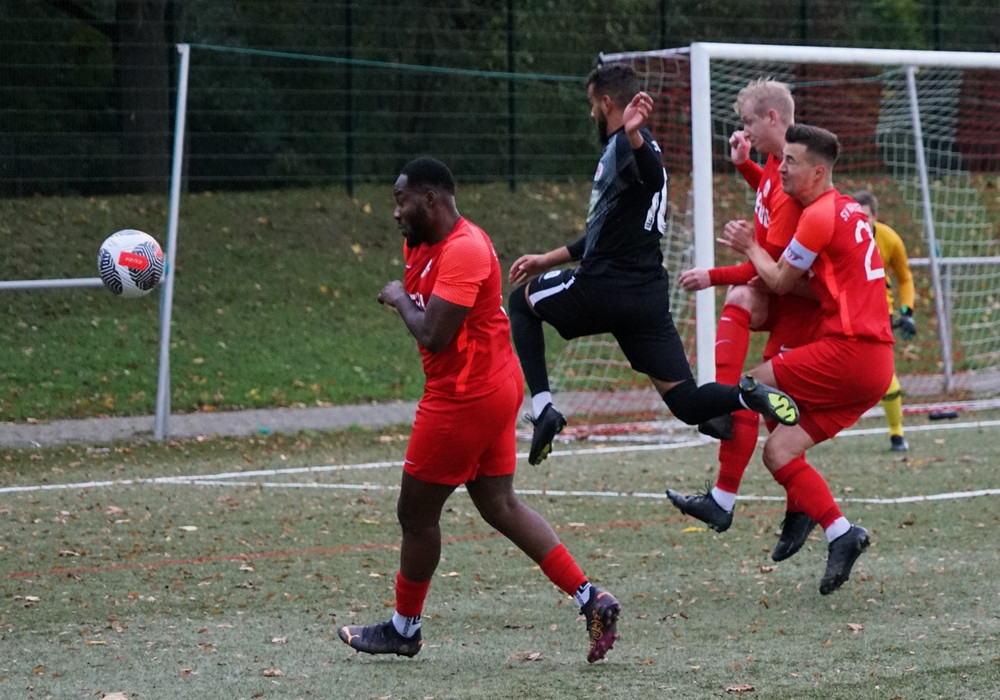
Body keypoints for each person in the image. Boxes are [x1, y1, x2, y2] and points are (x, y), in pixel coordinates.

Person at [337, 156, 621, 663]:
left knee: (415, 514)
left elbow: (434, 334)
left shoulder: (465, 249)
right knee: (500, 504)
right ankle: (591, 599)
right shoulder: (420, 242)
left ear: (431, 199)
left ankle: (404, 629)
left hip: (464, 397)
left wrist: (399, 298)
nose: (395, 212)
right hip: (491, 385)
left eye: (401, 201)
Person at [507, 63, 800, 467]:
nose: (591, 113)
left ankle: (543, 409)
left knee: (520, 303)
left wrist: (631, 135)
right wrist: (547, 259)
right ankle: (746, 395)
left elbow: (653, 177)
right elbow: (605, 232)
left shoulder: (629, 145)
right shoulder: (640, 145)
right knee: (687, 402)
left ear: (606, 102)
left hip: (602, 287)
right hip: (646, 298)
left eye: (592, 104)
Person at [721, 124, 895, 594]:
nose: (782, 168)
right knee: (778, 452)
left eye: (791, 161)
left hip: (852, 350)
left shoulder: (818, 215)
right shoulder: (846, 209)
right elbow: (811, 284)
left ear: (818, 172)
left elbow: (779, 280)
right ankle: (840, 532)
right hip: (875, 364)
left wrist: (750, 247)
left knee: (752, 385)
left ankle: (729, 484)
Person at [668, 79, 821, 560]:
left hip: (803, 307)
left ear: (772, 117)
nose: (745, 129)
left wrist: (709, 275)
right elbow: (769, 193)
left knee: (770, 406)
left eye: (749, 121)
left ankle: (815, 516)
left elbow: (766, 267)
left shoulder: (794, 176)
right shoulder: (780, 163)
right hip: (787, 295)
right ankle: (728, 495)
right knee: (761, 401)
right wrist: (743, 165)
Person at [852, 189, 917, 452]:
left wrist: (907, 311)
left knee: (885, 377)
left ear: (875, 217)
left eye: (865, 217)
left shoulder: (890, 239)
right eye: (856, 216)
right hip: (845, 314)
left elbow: (904, 277)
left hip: (880, 316)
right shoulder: (837, 237)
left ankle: (896, 433)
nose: (861, 222)